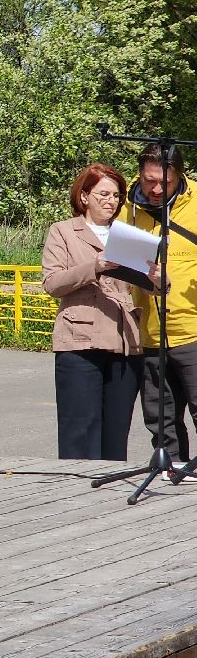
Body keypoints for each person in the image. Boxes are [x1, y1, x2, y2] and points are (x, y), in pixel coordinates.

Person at [40, 163, 144, 460]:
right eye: (103, 194)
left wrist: (158, 278)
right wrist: (94, 267)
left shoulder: (129, 235)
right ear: (84, 196)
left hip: (125, 342)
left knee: (116, 432)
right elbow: (53, 283)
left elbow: (150, 287)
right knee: (79, 430)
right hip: (79, 340)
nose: (111, 201)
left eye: (117, 196)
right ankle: (75, 492)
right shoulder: (63, 231)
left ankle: (109, 496)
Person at [124, 143, 197, 470]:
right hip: (151, 332)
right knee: (160, 416)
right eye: (147, 180)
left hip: (194, 331)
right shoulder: (129, 207)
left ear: (179, 177)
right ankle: (174, 469)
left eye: (163, 183)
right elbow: (122, 268)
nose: (154, 189)